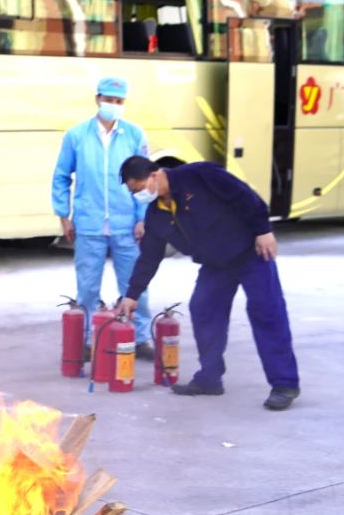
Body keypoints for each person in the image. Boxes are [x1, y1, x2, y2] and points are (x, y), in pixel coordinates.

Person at [117, 156, 301, 411]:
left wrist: (263, 230)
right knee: (203, 309)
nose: (138, 195)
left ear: (155, 175)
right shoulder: (157, 214)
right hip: (216, 264)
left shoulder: (200, 175)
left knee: (266, 312)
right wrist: (131, 295)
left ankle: (285, 384)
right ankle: (210, 378)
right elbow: (149, 257)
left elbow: (244, 195)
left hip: (251, 252)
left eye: (138, 188)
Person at [51, 76, 154, 359]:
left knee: (135, 285)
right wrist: (64, 215)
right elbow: (61, 176)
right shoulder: (76, 136)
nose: (113, 106)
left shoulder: (134, 135)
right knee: (87, 287)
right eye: (109, 100)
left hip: (126, 224)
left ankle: (141, 337)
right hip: (89, 223)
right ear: (97, 99)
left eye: (119, 102)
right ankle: (87, 341)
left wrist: (143, 217)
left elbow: (146, 180)